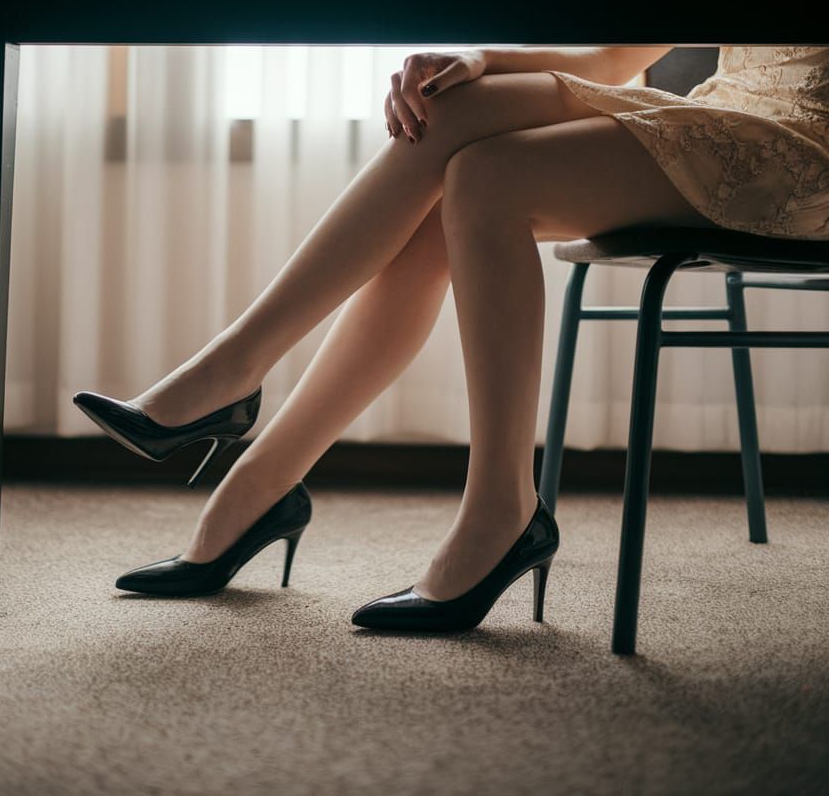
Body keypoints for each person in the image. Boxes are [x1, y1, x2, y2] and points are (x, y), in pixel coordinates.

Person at [74, 44, 829, 630]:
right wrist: (476, 57)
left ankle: (491, 506)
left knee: (488, 177)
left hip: (807, 150)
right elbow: (609, 59)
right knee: (450, 104)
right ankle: (255, 465)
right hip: (719, 116)